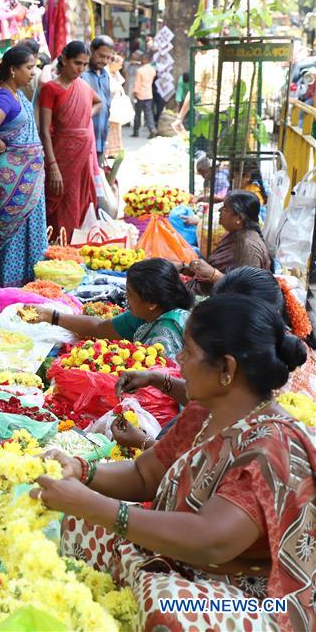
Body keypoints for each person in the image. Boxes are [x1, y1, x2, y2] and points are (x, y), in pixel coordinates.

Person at [37, 295, 316, 631]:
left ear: (226, 369)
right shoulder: (208, 409)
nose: (178, 359)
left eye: (188, 351)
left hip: (251, 592)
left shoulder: (271, 448)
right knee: (75, 519)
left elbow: (211, 540)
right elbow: (145, 474)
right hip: (191, 561)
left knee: (167, 610)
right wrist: (82, 469)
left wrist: (97, 506)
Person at [114, 266, 316, 450]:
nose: (180, 358)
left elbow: (193, 462)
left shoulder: (272, 378)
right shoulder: (263, 348)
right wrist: (156, 379)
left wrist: (143, 443)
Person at [0, 47, 48, 289]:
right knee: (12, 236)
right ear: (12, 69)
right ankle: (9, 289)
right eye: (29, 68)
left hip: (28, 181)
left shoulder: (16, 93)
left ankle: (26, 288)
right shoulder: (3, 97)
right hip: (11, 183)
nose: (33, 73)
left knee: (29, 233)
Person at [29, 258, 192, 357]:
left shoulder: (165, 332)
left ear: (151, 303)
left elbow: (159, 382)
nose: (125, 298)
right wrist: (50, 316)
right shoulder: (146, 314)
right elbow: (99, 328)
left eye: (130, 294)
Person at [39, 41, 100, 241]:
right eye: (76, 63)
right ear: (64, 59)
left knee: (80, 202)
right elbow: (44, 131)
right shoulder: (50, 89)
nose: (80, 69)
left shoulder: (83, 86)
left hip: (83, 155)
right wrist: (53, 165)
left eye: (84, 64)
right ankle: (56, 252)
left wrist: (84, 120)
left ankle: (75, 252)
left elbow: (98, 102)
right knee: (59, 205)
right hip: (61, 155)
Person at [181, 190, 271, 295]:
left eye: (225, 208)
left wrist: (212, 274)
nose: (219, 210)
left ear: (239, 218)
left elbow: (244, 291)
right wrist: (183, 268)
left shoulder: (248, 247)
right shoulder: (235, 234)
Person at [82, 35, 114, 165]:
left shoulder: (105, 74)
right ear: (92, 50)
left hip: (101, 139)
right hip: (85, 140)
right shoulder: (81, 74)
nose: (104, 61)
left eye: (108, 57)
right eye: (101, 56)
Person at [104, 53, 126, 158]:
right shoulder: (105, 72)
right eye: (120, 64)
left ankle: (115, 151)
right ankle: (108, 151)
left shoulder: (116, 73)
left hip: (117, 104)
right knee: (109, 127)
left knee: (116, 127)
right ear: (113, 63)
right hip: (108, 103)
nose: (120, 67)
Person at [132, 52, 156, 139]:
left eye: (141, 59)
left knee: (138, 114)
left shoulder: (140, 70)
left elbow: (137, 83)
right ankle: (152, 128)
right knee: (149, 113)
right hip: (149, 94)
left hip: (140, 94)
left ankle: (136, 131)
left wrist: (135, 92)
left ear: (144, 60)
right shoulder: (152, 70)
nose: (140, 61)